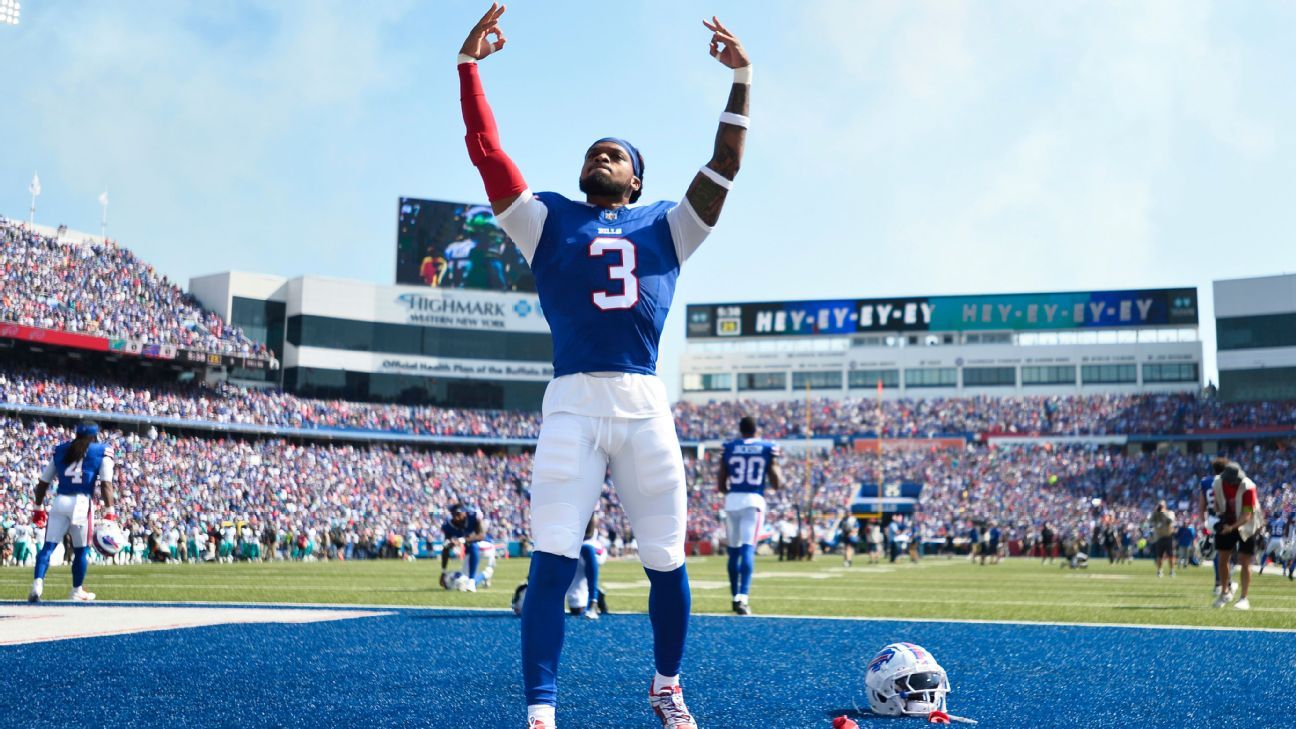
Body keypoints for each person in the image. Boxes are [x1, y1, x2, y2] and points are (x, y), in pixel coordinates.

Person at [454, 5, 750, 727]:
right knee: (551, 559)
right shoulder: (547, 217)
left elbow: (725, 166)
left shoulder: (668, 224)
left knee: (667, 559)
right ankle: (541, 710)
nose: (601, 156)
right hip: (573, 403)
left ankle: (667, 683)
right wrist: (469, 69)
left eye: (614, 152)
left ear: (637, 176)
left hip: (645, 402)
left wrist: (741, 77)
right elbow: (489, 153)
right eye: (593, 151)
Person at [28, 422, 117, 603]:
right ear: (94, 436)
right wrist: (110, 511)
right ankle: (77, 590)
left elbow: (43, 483)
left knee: (48, 547)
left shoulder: (61, 450)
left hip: (60, 500)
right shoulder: (102, 450)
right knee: (81, 550)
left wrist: (38, 508)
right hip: (82, 503)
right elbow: (106, 483)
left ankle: (37, 585)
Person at [718, 416, 782, 615]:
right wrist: (774, 463)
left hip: (732, 500)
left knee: (734, 551)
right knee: (748, 548)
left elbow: (720, 485)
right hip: (753, 500)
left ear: (740, 429)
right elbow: (777, 482)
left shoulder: (729, 447)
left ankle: (734, 596)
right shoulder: (766, 447)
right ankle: (743, 598)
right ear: (757, 430)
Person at [1212, 463, 1263, 610]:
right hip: (1227, 519)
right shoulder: (1218, 483)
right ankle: (1224, 592)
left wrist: (1232, 527)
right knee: (1222, 558)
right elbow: (1217, 503)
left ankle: (1244, 598)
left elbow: (1247, 515)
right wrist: (1216, 518)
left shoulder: (1248, 487)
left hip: (1248, 524)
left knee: (1244, 560)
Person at [1199, 457, 1232, 596]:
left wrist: (1204, 523)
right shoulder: (1227, 481)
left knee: (1216, 553)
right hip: (1225, 519)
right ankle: (1225, 583)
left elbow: (1202, 507)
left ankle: (1220, 582)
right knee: (1225, 554)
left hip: (1212, 519)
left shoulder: (1206, 482)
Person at [566, 517, 608, 619]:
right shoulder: (595, 544)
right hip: (595, 549)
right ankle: (595, 595)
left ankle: (593, 599)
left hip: (589, 549)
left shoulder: (586, 546)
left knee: (577, 608)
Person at [441, 504, 487, 592]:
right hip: (471, 553)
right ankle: (485, 574)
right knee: (463, 579)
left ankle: (473, 581)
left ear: (465, 513)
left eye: (458, 514)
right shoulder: (449, 525)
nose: (456, 517)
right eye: (454, 514)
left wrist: (462, 540)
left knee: (473, 545)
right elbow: (445, 548)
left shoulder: (474, 516)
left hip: (486, 547)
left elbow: (481, 536)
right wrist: (443, 571)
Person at [1149, 500, 1177, 577]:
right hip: (1159, 537)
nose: (1160, 507)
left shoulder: (1169, 513)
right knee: (1159, 555)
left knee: (1170, 555)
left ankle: (1172, 571)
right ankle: (1159, 571)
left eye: (1161, 506)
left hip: (1168, 536)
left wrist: (1163, 513)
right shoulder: (1156, 514)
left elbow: (1171, 520)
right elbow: (1150, 521)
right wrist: (1155, 512)